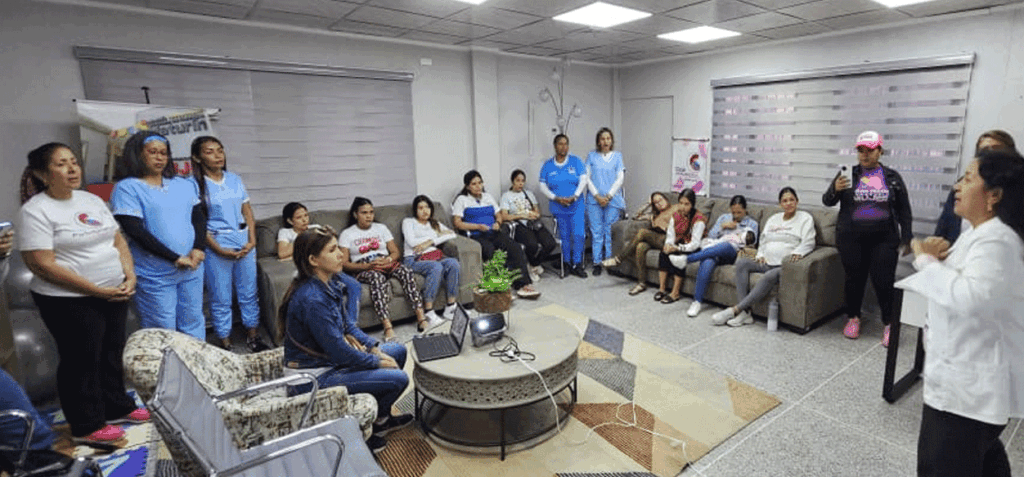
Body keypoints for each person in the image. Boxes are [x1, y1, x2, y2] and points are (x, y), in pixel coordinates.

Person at [896, 150, 1024, 477]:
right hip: (963, 386)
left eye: (968, 179)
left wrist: (925, 258)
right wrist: (938, 258)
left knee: (943, 465)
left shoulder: (998, 241)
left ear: (994, 195)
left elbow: (971, 298)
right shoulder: (976, 233)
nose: (957, 186)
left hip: (966, 395)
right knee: (983, 459)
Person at [18, 142, 149, 444]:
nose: (72, 169)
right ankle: (86, 424)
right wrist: (96, 290)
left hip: (112, 291)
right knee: (81, 358)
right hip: (67, 299)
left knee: (112, 351)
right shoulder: (35, 210)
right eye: (61, 164)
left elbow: (118, 241)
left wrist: (129, 275)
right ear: (42, 174)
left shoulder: (90, 200)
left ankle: (116, 407)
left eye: (74, 162)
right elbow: (42, 264)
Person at [277, 226, 413, 455]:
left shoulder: (329, 282)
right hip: (313, 378)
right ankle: (367, 430)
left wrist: (375, 349)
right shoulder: (312, 300)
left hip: (330, 362)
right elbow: (339, 351)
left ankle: (380, 419)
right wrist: (376, 362)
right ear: (313, 260)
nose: (341, 254)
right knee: (398, 377)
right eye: (332, 250)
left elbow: (348, 326)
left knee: (397, 350)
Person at [110, 131, 207, 340]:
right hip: (155, 273)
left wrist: (199, 248)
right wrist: (174, 257)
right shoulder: (127, 188)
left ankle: (196, 361)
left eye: (163, 153)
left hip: (192, 268)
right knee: (162, 329)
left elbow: (199, 219)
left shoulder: (184, 184)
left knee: (193, 321)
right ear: (137, 155)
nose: (159, 157)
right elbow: (135, 231)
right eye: (153, 152)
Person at [822, 131, 912, 346]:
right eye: (861, 150)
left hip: (884, 239)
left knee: (884, 281)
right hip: (851, 239)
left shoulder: (892, 177)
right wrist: (835, 189)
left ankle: (889, 324)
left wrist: (907, 237)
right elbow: (827, 201)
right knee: (854, 280)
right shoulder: (847, 174)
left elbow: (904, 210)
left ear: (880, 151)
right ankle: (853, 317)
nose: (865, 154)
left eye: (870, 150)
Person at [189, 136, 269, 352]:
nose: (218, 156)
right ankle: (225, 342)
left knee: (249, 293)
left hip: (243, 242)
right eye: (210, 151)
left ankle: (253, 336)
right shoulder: (193, 185)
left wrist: (252, 241)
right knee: (220, 297)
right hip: (216, 246)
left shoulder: (234, 179)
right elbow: (198, 223)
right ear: (197, 157)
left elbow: (247, 211)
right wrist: (218, 249)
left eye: (220, 150)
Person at [711, 187, 816, 327]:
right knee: (742, 263)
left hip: (784, 265)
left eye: (791, 200)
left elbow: (809, 241)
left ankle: (736, 310)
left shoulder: (805, 218)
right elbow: (763, 240)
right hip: (767, 262)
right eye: (785, 201)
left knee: (769, 276)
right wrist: (760, 254)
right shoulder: (774, 218)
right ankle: (745, 314)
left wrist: (798, 252)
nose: (788, 203)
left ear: (797, 201)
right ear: (780, 204)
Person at [340, 197, 438, 340]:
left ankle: (421, 318)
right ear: (355, 214)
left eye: (371, 212)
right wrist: (367, 266)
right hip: (364, 266)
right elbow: (344, 263)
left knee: (406, 271)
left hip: (385, 261)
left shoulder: (381, 228)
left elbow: (395, 252)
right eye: (364, 213)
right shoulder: (347, 234)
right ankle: (387, 327)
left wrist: (388, 260)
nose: (369, 216)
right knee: (377, 278)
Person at [452, 170, 540, 299]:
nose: (478, 186)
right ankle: (499, 288)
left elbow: (498, 214)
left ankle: (522, 285)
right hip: (476, 235)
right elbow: (457, 223)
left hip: (493, 232)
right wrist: (477, 226)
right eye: (474, 184)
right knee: (490, 251)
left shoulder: (487, 197)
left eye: (480, 183)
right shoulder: (462, 200)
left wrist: (498, 223)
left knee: (515, 248)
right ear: (467, 186)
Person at [668, 194, 759, 317]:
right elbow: (711, 236)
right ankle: (697, 302)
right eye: (733, 212)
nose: (736, 215)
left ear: (745, 210)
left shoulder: (752, 224)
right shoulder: (724, 218)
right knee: (708, 260)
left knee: (726, 245)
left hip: (732, 254)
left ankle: (687, 259)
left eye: (739, 212)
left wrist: (739, 236)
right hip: (715, 250)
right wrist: (722, 227)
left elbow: (751, 244)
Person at [277, 201, 362, 321]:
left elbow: (328, 247)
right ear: (290, 221)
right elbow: (282, 253)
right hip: (312, 270)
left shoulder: (315, 228)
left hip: (327, 267)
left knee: (355, 285)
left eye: (306, 215)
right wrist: (304, 237)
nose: (305, 220)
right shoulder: (286, 233)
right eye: (299, 217)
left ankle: (351, 323)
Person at [934, 130, 1017, 244]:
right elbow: (943, 229)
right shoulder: (963, 186)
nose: (988, 155)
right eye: (983, 151)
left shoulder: (1016, 193)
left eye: (996, 149)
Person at [601, 192, 675, 295]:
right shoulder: (654, 216)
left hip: (667, 239)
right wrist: (647, 204)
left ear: (666, 199)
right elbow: (636, 216)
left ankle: (618, 259)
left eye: (661, 200)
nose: (659, 203)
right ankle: (641, 283)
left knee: (642, 232)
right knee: (640, 247)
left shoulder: (675, 208)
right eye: (656, 202)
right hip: (654, 239)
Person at [402, 195, 460, 322]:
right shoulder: (408, 222)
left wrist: (431, 242)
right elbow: (412, 242)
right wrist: (437, 236)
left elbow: (452, 234)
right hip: (413, 259)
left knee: (453, 263)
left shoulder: (434, 224)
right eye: (421, 208)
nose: (425, 211)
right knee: (436, 267)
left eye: (427, 207)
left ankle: (450, 307)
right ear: (415, 210)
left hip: (433, 256)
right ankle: (428, 311)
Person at [538, 134, 588, 278]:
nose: (564, 147)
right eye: (560, 144)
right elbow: (542, 186)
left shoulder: (575, 161)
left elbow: (583, 180)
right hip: (558, 206)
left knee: (578, 234)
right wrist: (555, 198)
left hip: (576, 205)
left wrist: (575, 196)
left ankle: (577, 264)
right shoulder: (548, 165)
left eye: (566, 144)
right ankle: (566, 263)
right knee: (564, 236)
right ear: (555, 146)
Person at [500, 169, 557, 282]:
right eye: (518, 181)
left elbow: (537, 211)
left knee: (550, 243)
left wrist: (535, 214)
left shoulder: (528, 194)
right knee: (532, 245)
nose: (520, 184)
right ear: (512, 181)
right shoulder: (506, 196)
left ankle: (533, 264)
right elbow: (504, 217)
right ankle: (533, 266)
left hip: (533, 223)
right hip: (519, 224)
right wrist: (521, 215)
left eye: (523, 181)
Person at [655, 189, 708, 305]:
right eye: (681, 203)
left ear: (692, 205)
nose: (683, 207)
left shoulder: (699, 219)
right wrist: (669, 245)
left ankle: (675, 293)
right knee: (664, 253)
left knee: (680, 256)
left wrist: (678, 248)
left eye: (686, 204)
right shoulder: (676, 215)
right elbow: (670, 234)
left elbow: (695, 244)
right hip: (679, 243)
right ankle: (662, 289)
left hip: (695, 247)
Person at [586, 127, 626, 276]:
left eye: (608, 138)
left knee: (609, 231)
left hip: (612, 200)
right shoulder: (591, 156)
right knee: (596, 232)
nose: (605, 141)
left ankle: (609, 262)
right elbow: (586, 178)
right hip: (594, 200)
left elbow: (620, 178)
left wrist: (608, 196)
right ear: (598, 141)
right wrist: (597, 196)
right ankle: (597, 262)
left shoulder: (617, 157)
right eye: (602, 139)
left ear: (612, 141)